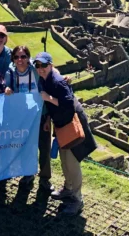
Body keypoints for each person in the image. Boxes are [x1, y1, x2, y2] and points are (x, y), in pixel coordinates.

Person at [35, 52, 96, 216]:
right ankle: (68, 189)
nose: (40, 69)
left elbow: (67, 104)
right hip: (61, 124)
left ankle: (77, 199)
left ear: (51, 65)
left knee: (72, 162)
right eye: (38, 66)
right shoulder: (45, 79)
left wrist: (48, 98)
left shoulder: (57, 81)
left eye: (44, 65)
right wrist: (48, 119)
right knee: (64, 159)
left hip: (72, 123)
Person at [5, 45, 53, 192]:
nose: (20, 60)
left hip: (41, 115)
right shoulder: (10, 72)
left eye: (23, 56)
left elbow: (49, 77)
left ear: (28, 58)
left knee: (44, 149)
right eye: (17, 57)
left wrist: (48, 118)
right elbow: (6, 89)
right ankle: (28, 174)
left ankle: (45, 179)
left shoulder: (35, 69)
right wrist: (6, 90)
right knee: (26, 148)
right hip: (23, 118)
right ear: (13, 59)